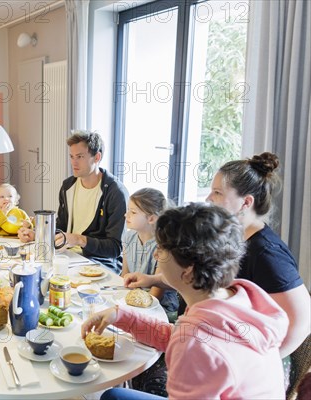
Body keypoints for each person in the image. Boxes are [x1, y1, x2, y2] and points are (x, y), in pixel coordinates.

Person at [83, 203, 288, 399]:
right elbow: (178, 335)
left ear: (188, 271)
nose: (155, 253)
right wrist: (120, 315)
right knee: (114, 395)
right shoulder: (236, 300)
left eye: (162, 249)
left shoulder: (194, 346)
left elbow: (189, 341)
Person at [126, 152, 310, 357]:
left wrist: (256, 360)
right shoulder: (225, 235)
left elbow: (302, 320)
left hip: (226, 355)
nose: (208, 198)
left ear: (246, 203)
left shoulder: (267, 254)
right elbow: (204, 279)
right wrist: (153, 279)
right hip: (198, 337)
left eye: (217, 192)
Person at [18, 130, 129, 273]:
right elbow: (62, 226)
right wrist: (39, 235)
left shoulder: (115, 193)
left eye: (80, 157)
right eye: (71, 156)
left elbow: (115, 248)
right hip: (68, 256)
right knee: (30, 268)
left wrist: (79, 240)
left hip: (99, 263)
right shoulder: (68, 186)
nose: (73, 162)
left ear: (97, 157)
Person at [121, 188, 178, 318]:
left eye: (133, 212)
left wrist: (130, 311)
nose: (126, 215)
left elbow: (156, 293)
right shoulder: (128, 238)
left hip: (161, 309)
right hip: (134, 302)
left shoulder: (163, 245)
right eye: (128, 209)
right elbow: (125, 276)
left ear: (151, 218)